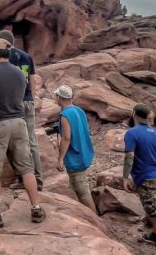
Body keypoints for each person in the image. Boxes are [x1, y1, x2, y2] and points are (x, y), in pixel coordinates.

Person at [0, 38, 46, 227]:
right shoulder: (20, 74)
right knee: (26, 167)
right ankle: (36, 208)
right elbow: (23, 95)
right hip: (19, 122)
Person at [123, 104, 156, 255]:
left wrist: (125, 177)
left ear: (133, 114)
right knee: (151, 208)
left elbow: (129, 157)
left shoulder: (131, 133)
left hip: (145, 178)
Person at [0, 30, 44, 190]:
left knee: (15, 144)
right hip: (28, 101)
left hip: (13, 104)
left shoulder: (4, 58)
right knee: (31, 141)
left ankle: (23, 179)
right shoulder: (26, 57)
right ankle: (38, 179)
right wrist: (33, 98)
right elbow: (32, 80)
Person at [54, 85, 97, 213]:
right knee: (79, 186)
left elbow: (66, 138)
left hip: (75, 158)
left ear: (59, 98)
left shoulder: (64, 115)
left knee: (82, 191)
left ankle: (94, 220)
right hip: (84, 153)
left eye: (56, 96)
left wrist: (60, 159)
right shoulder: (79, 110)